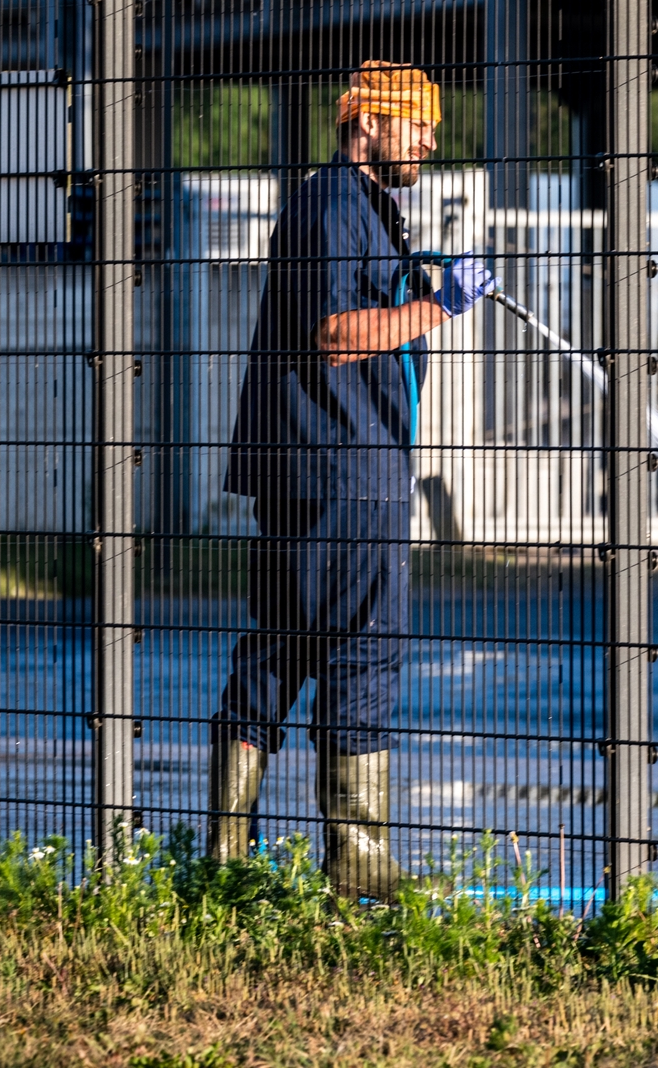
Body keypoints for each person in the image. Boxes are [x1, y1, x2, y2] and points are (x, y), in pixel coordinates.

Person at [211, 61, 497, 897]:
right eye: (414, 121)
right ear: (364, 122)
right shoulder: (338, 204)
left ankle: (231, 863)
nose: (431, 138)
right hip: (345, 467)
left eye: (434, 125)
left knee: (281, 648)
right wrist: (437, 307)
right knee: (363, 647)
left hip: (313, 464)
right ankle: (359, 861)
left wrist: (412, 279)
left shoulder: (347, 206)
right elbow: (334, 332)